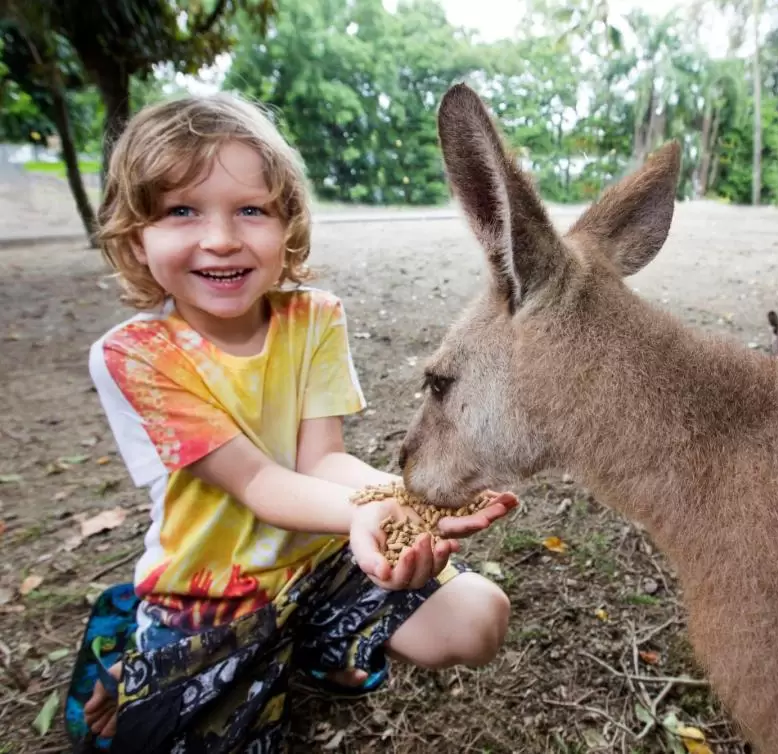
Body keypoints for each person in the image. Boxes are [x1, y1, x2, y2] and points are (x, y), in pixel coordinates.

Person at [64, 92, 516, 754]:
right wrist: (372, 512)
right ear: (137, 233)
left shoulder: (314, 317)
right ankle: (128, 638)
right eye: (181, 210)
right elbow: (257, 483)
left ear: (288, 223)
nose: (221, 238)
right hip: (210, 596)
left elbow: (321, 462)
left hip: (318, 556)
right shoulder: (133, 356)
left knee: (480, 620)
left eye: (251, 210)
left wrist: (406, 503)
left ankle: (308, 647)